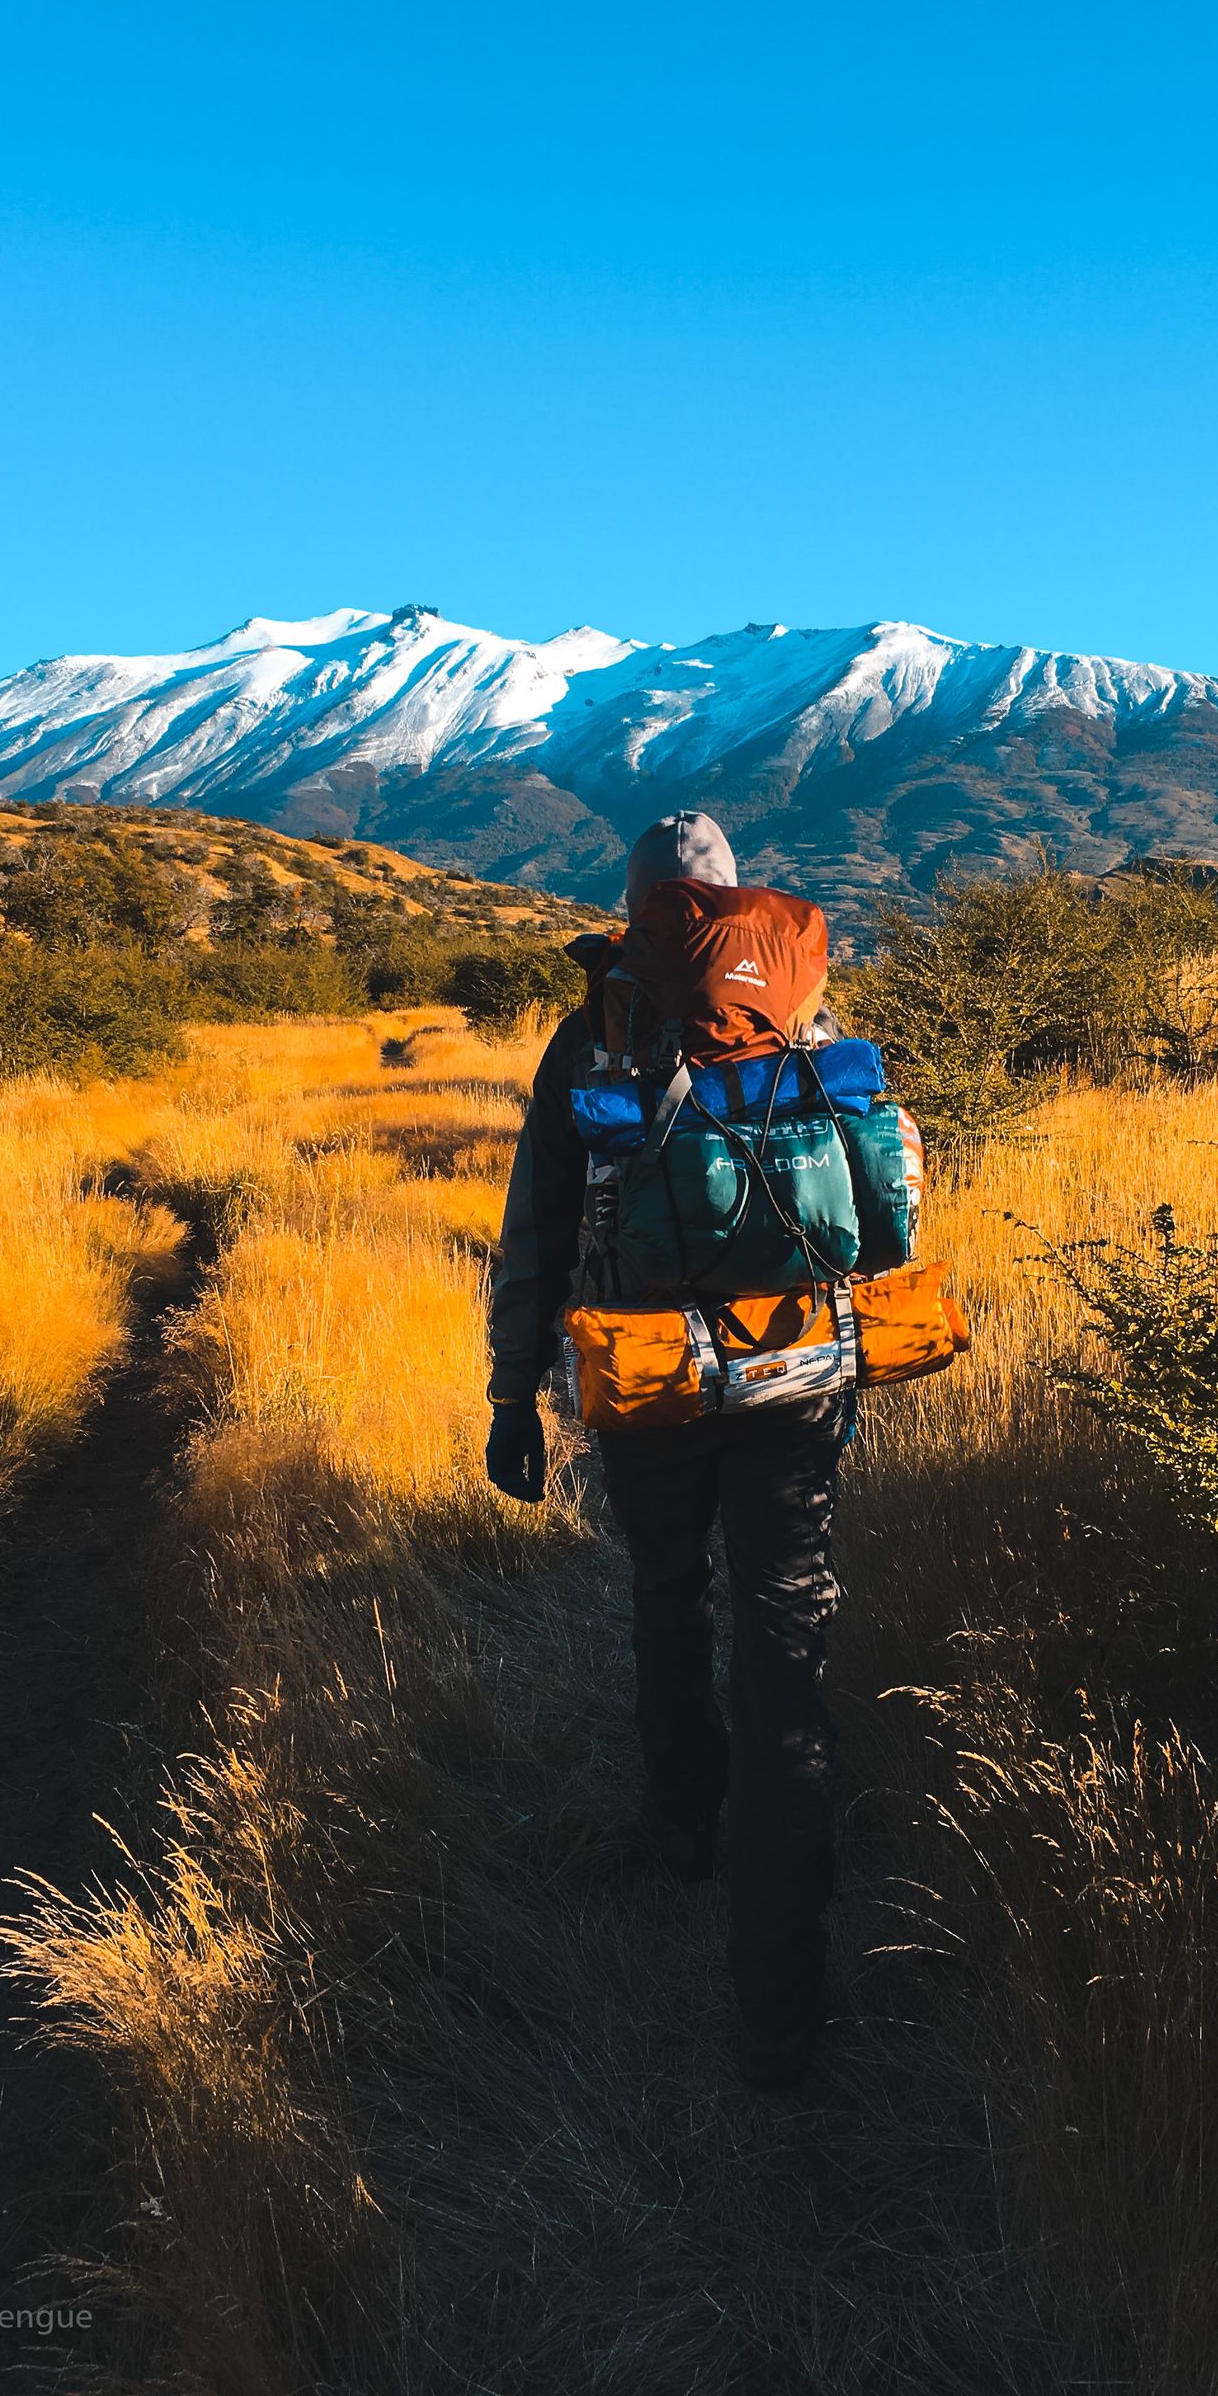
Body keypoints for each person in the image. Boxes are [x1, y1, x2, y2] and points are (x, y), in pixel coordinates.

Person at [484, 811, 846, 2089]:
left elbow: (535, 1217)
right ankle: (786, 1990)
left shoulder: (598, 1028)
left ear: (637, 902)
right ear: (736, 896)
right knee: (786, 1636)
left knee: (666, 1595)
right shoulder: (796, 1001)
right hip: (797, 1369)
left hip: (648, 1379)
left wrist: (512, 1393)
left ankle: (685, 1832)